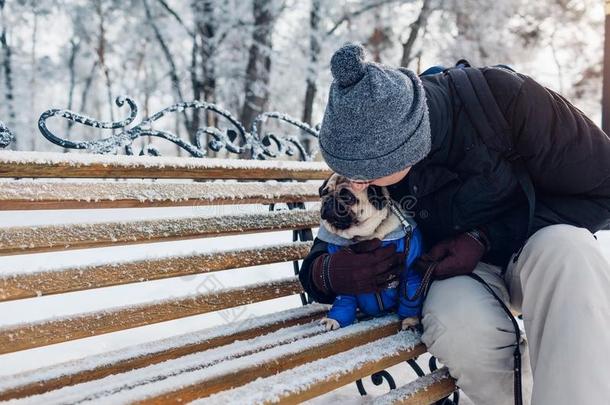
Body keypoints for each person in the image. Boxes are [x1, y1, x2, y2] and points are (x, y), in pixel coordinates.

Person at [298, 43, 610, 405]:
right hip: (452, 274)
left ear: (405, 149)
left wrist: (484, 237)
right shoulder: (374, 139)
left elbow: (604, 188)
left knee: (571, 255)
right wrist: (329, 271)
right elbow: (323, 252)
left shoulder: (511, 102)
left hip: (536, 245)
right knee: (460, 327)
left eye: (365, 174)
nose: (356, 182)